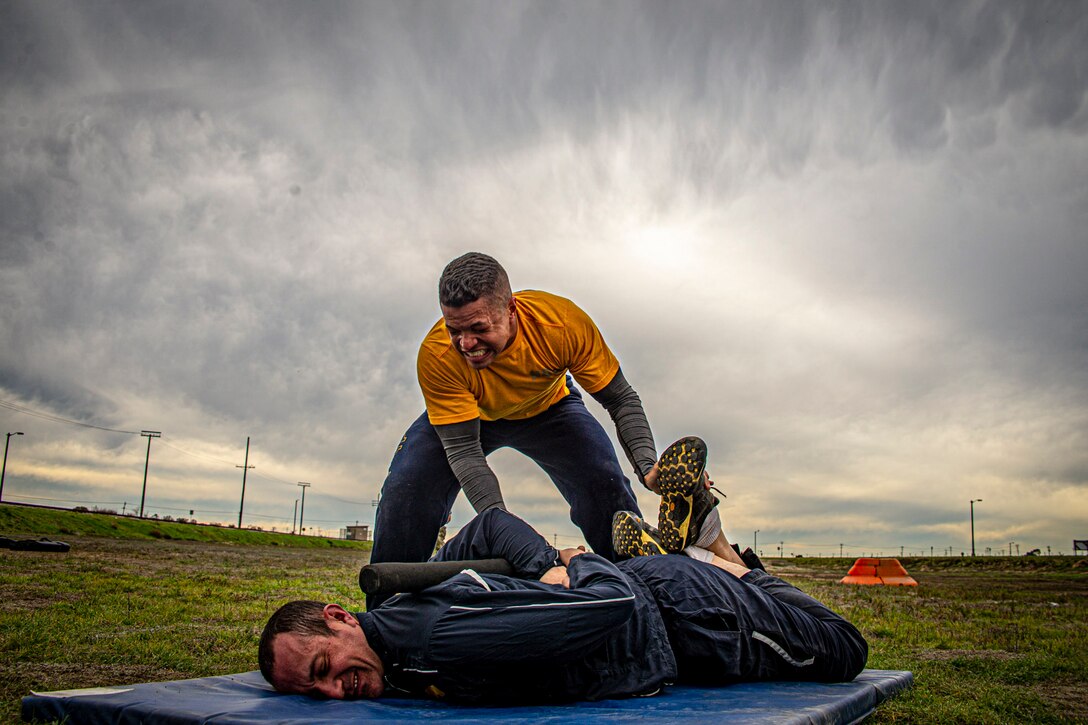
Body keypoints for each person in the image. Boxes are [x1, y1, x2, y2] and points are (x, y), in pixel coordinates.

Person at [260, 439, 868, 703]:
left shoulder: (436, 640)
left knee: (845, 647)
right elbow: (487, 526)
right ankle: (695, 554)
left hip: (690, 623)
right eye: (313, 696)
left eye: (323, 669)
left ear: (340, 619)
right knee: (636, 575)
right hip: (663, 602)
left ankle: (723, 555)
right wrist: (545, 564)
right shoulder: (398, 620)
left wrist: (570, 564)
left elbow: (610, 608)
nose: (334, 691)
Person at [370, 252, 661, 597]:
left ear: (511, 311)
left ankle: (643, 592)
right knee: (407, 488)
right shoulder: (437, 356)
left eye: (479, 329)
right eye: (454, 330)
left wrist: (647, 464)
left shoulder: (561, 324)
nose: (465, 344)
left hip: (549, 408)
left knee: (603, 482)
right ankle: (386, 615)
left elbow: (620, 398)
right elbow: (465, 452)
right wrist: (510, 538)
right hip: (470, 416)